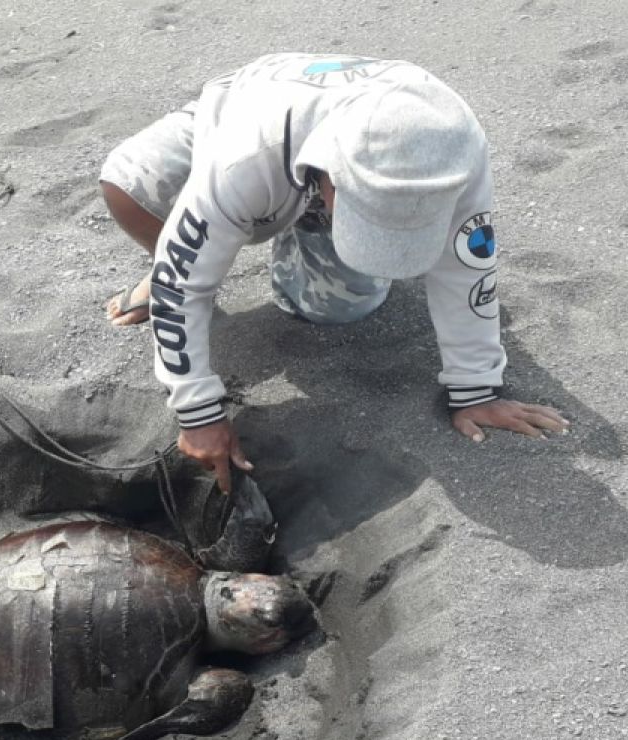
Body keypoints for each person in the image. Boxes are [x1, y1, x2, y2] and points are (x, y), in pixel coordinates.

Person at [99, 53, 568, 491]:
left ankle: (287, 234)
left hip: (315, 188)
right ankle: (168, 253)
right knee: (131, 183)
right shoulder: (241, 155)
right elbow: (184, 285)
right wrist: (197, 411)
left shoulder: (454, 150)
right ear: (327, 175)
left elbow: (468, 268)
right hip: (239, 124)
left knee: (340, 308)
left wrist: (477, 390)